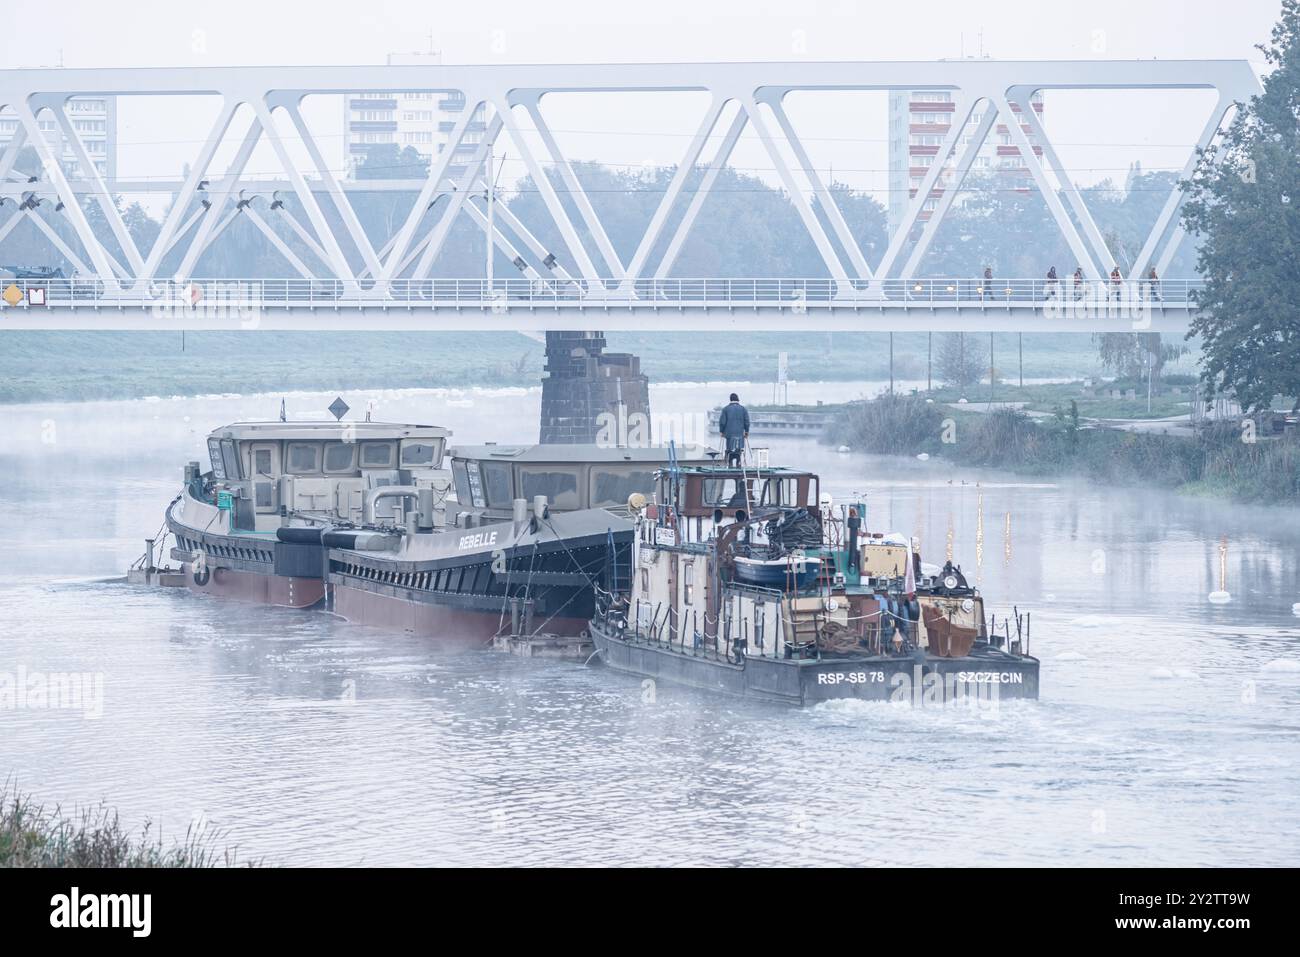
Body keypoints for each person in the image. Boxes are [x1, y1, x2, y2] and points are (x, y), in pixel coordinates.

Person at [718, 393, 750, 467]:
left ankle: (730, 463)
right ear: (738, 399)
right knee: (738, 449)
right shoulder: (743, 409)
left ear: (730, 399)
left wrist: (721, 431)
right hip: (740, 434)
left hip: (729, 434)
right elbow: (747, 421)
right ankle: (738, 463)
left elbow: (722, 422)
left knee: (729, 448)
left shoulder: (725, 409)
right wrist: (747, 431)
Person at [846, 507, 861, 574]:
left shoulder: (851, 520)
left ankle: (852, 563)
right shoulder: (855, 520)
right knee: (853, 547)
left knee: (853, 547)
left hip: (853, 538)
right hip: (854, 541)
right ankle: (852, 563)